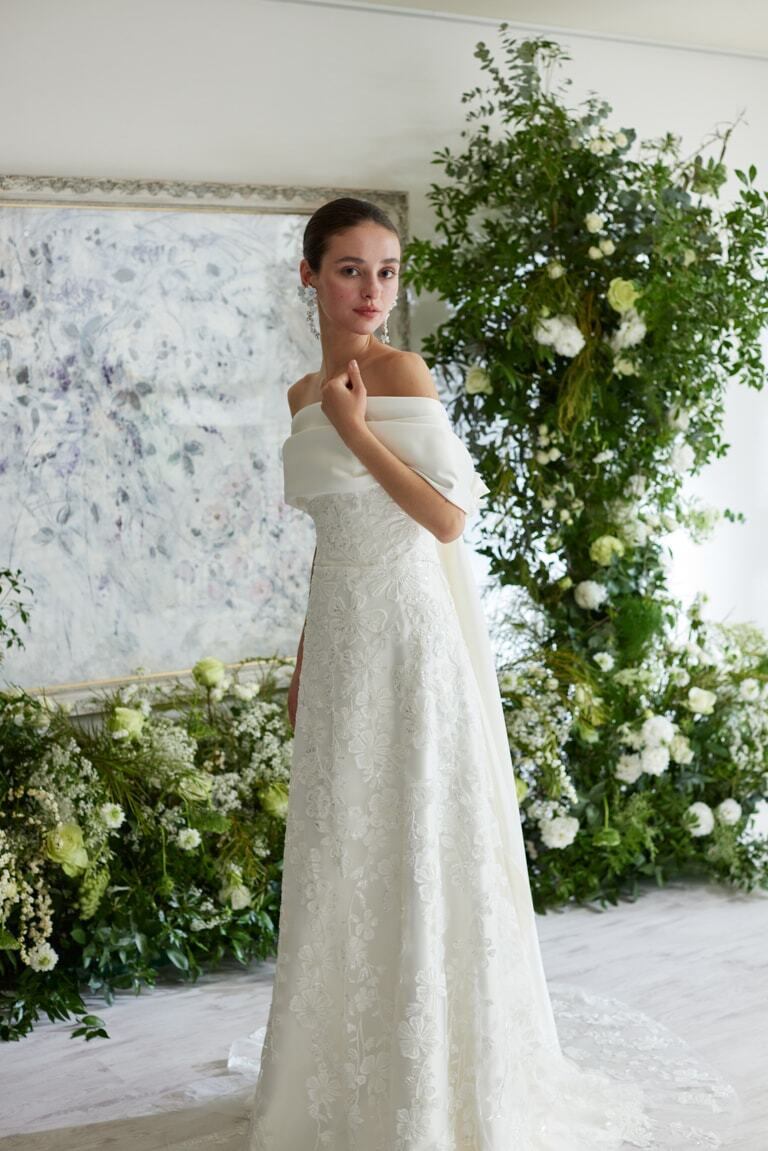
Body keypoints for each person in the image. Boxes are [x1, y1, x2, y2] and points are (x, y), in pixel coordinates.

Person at [237, 197, 734, 1149]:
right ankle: (341, 1076)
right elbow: (328, 542)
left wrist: (355, 429)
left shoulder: (400, 375)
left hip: (409, 638)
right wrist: (304, 658)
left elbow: (446, 518)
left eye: (387, 271)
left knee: (415, 834)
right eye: (350, 269)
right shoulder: (303, 393)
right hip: (340, 639)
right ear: (309, 274)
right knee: (345, 845)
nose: (373, 290)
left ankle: (429, 1085)